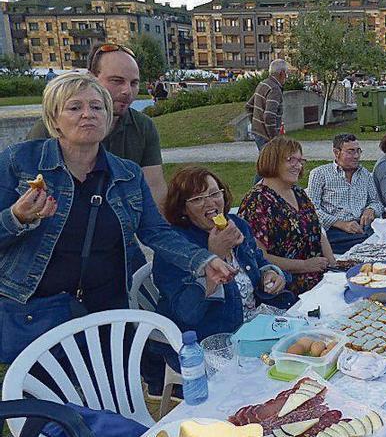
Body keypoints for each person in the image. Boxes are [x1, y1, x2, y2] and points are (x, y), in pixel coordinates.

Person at [0, 73, 234, 363]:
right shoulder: (19, 162)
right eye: (75, 107)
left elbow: (157, 232)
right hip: (38, 313)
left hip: (108, 311)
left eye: (97, 107)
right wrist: (17, 217)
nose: (88, 114)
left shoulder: (127, 173)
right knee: (49, 401)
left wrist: (203, 260)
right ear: (54, 119)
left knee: (107, 395)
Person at [154, 166, 295, 341]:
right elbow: (187, 313)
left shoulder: (235, 225)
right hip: (214, 340)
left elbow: (258, 260)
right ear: (183, 208)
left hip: (257, 326)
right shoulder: (176, 246)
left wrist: (271, 273)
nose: (210, 203)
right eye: (198, 198)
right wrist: (214, 256)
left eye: (214, 194)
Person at [27, 43, 168, 208]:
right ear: (91, 78)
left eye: (134, 83)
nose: (127, 91)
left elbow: (155, 189)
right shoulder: (49, 128)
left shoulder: (143, 127)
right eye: (117, 81)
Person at [239, 137, 337, 294]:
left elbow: (318, 231)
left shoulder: (298, 192)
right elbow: (257, 256)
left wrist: (334, 267)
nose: (297, 166)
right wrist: (304, 266)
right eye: (291, 160)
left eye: (300, 160)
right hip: (287, 286)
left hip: (322, 279)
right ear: (273, 160)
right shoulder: (257, 202)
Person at [307, 133, 384, 254]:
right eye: (351, 152)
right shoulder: (320, 174)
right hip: (334, 230)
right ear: (336, 153)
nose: (356, 156)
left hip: (362, 227)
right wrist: (341, 224)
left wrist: (371, 209)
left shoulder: (365, 174)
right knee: (375, 244)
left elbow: (376, 202)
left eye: (358, 151)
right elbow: (311, 210)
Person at [245, 59, 288, 151]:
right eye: (286, 74)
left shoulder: (263, 84)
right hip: (266, 137)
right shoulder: (274, 89)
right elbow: (269, 115)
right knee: (271, 164)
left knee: (265, 162)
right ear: (282, 73)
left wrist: (255, 124)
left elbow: (249, 106)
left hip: (258, 132)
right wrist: (274, 138)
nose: (286, 77)